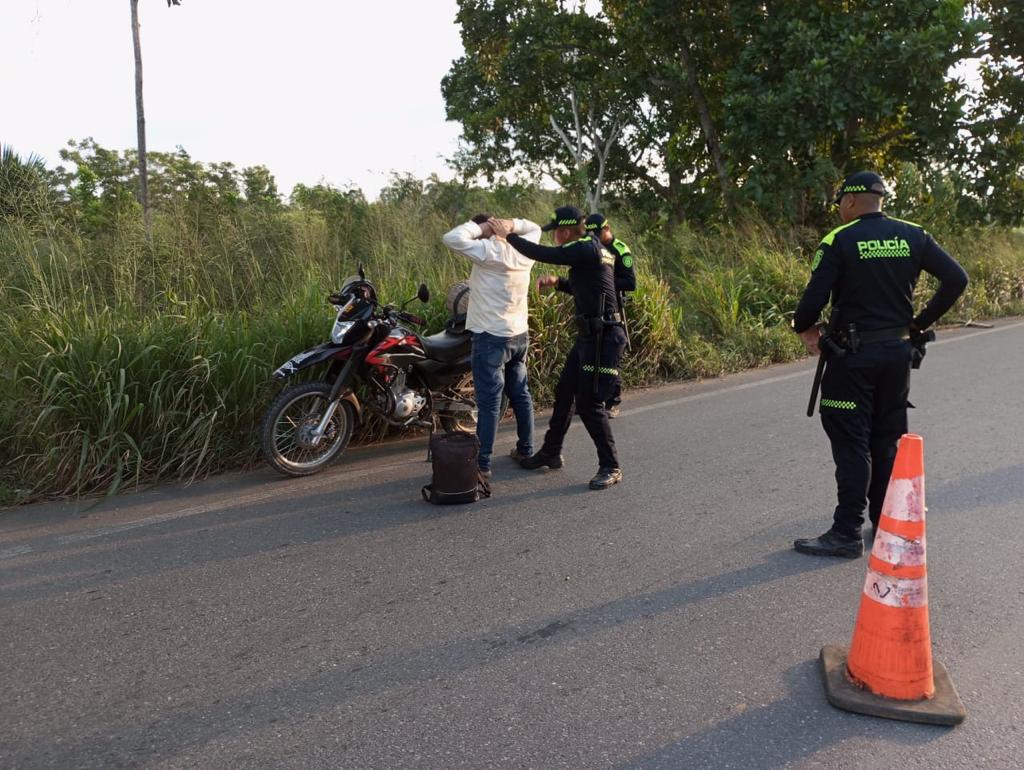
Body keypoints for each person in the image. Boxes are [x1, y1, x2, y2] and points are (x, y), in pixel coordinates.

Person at [791, 171, 968, 558]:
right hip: (898, 354)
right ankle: (885, 521)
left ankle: (845, 531)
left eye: (839, 201)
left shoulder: (839, 240)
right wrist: (919, 323)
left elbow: (810, 304)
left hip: (853, 358)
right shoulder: (914, 234)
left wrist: (804, 328)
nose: (839, 208)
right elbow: (956, 279)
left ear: (851, 201)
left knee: (852, 441)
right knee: (885, 440)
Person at [491, 205, 626, 490]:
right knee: (565, 392)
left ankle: (610, 466)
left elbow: (545, 255)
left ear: (563, 232)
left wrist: (509, 237)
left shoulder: (583, 247)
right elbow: (592, 286)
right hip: (591, 336)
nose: (554, 238)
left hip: (604, 338)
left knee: (590, 404)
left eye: (555, 233)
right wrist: (559, 283)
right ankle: (551, 452)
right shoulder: (590, 251)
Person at [441, 214, 540, 478]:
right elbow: (535, 227)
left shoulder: (487, 251)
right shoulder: (524, 251)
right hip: (519, 334)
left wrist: (483, 228)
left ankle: (482, 464)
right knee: (520, 394)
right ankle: (526, 449)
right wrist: (512, 226)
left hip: (490, 337)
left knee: (489, 403)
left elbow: (451, 238)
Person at [585, 213, 635, 417]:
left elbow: (630, 283)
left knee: (611, 358)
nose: (595, 237)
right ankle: (590, 399)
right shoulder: (591, 246)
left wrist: (604, 280)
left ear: (607, 228)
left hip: (612, 309)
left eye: (598, 233)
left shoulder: (620, 250)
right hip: (592, 307)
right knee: (589, 355)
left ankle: (613, 402)